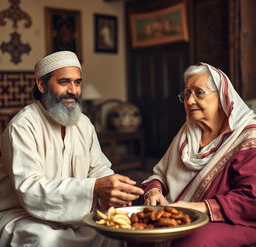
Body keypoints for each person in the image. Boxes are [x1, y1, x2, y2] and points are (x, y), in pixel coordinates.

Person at [0, 51, 144, 247]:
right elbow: (30, 190)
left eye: (77, 82)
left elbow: (97, 168)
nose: (73, 90)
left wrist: (112, 189)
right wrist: (94, 188)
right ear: (42, 85)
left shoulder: (83, 123)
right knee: (47, 240)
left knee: (112, 232)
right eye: (64, 82)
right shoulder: (22, 127)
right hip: (23, 215)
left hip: (76, 213)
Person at [142, 63, 256, 247]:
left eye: (199, 92)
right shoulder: (188, 133)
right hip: (180, 212)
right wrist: (154, 190)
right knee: (139, 222)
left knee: (190, 240)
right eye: (186, 94)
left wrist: (199, 208)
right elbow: (160, 174)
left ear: (222, 96)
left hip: (234, 219)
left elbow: (252, 199)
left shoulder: (248, 137)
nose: (190, 101)